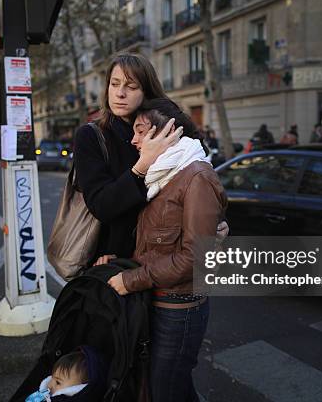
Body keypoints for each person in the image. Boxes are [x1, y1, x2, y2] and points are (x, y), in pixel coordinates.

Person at [106, 98, 227, 402]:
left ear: (168, 132)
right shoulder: (160, 176)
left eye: (141, 131)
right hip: (156, 302)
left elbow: (195, 258)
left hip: (179, 310)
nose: (133, 139)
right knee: (167, 387)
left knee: (165, 390)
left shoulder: (196, 176)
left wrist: (130, 280)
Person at [73, 53, 228, 266]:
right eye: (114, 84)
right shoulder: (91, 136)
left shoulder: (168, 122)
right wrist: (143, 165)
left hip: (172, 256)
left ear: (146, 90)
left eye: (131, 86)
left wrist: (216, 222)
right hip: (118, 260)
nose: (120, 93)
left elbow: (199, 175)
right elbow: (101, 206)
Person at [25, 347, 107, 402]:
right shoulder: (43, 395)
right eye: (52, 378)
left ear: (79, 388)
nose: (49, 385)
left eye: (58, 382)